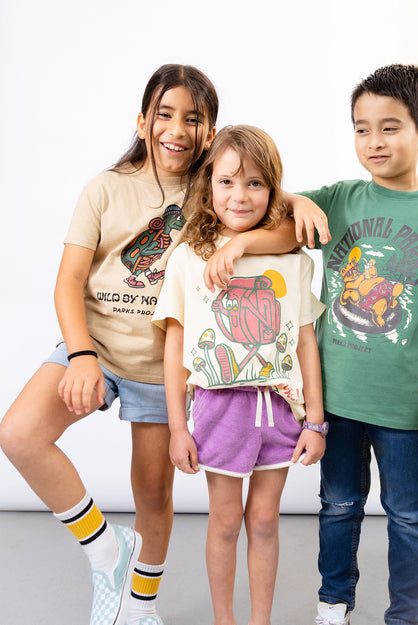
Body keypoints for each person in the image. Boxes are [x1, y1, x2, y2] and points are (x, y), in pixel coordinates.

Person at [0, 63, 220, 625]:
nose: (177, 129)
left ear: (211, 132)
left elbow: (266, 203)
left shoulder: (214, 193)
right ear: (142, 121)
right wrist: (80, 356)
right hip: (94, 344)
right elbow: (68, 280)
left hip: (161, 366)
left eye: (193, 118)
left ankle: (140, 605)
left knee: (152, 492)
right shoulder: (106, 188)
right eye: (164, 114)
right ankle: (104, 549)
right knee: (19, 434)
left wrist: (296, 202)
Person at [295, 64, 418, 625]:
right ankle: (334, 602)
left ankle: (405, 614)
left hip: (405, 404)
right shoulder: (339, 199)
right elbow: (260, 203)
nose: (373, 141)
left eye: (389, 127)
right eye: (361, 129)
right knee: (338, 506)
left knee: (407, 513)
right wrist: (292, 200)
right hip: (335, 399)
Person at [153, 125, 327, 625]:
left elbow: (306, 342)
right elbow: (175, 346)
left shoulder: (292, 261)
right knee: (226, 521)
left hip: (280, 408)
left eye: (255, 183)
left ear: (273, 189)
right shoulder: (188, 258)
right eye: (226, 181)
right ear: (208, 185)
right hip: (218, 409)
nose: (240, 195)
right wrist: (177, 427)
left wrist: (315, 422)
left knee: (265, 519)